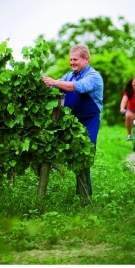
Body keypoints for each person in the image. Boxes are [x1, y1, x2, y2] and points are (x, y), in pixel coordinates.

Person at [42, 44, 103, 196]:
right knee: (71, 155)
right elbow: (56, 88)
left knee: (83, 155)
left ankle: (85, 195)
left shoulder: (93, 77)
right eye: (71, 60)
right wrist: (48, 84)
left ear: (86, 60)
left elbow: (79, 87)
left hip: (89, 120)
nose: (72, 63)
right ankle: (80, 193)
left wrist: (54, 82)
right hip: (71, 121)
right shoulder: (68, 76)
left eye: (75, 59)